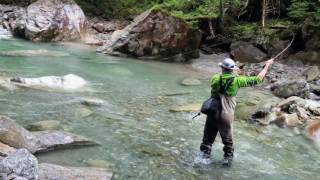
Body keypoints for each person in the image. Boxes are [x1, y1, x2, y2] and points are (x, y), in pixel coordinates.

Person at [200, 57, 274, 166]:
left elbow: (216, 88)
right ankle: (227, 166)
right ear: (232, 69)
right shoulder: (237, 80)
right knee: (228, 144)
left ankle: (202, 161)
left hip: (212, 112)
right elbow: (258, 79)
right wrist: (267, 66)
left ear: (222, 68)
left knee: (207, 141)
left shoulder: (215, 78)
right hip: (226, 115)